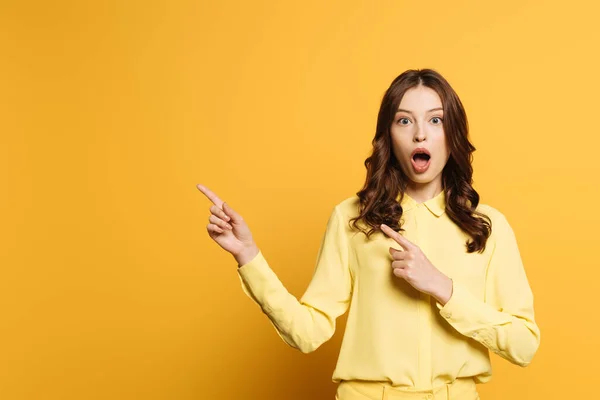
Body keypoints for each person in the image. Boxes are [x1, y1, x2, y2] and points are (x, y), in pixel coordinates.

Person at [197, 69, 540, 400]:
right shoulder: (352, 219)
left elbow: (524, 344)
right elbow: (306, 333)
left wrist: (443, 288)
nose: (420, 134)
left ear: (452, 134)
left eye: (435, 120)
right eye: (405, 120)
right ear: (389, 135)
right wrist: (248, 256)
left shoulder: (487, 226)